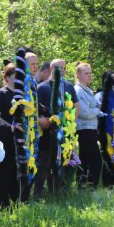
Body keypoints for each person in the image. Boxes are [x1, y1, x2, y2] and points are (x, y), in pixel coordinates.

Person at [34, 59, 80, 200]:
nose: (63, 71)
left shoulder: (68, 86)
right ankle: (38, 194)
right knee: (44, 163)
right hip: (46, 132)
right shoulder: (42, 87)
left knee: (60, 162)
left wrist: (69, 122)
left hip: (63, 133)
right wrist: (41, 120)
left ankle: (58, 193)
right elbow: (36, 109)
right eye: (60, 68)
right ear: (51, 68)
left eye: (65, 68)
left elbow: (76, 107)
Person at [0, 63, 21, 209]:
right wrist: (10, 126)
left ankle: (14, 200)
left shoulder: (21, 95)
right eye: (15, 76)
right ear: (7, 78)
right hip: (4, 136)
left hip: (18, 137)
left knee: (15, 169)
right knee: (3, 170)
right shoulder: (1, 94)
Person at [74, 63, 102, 189]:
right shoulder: (78, 90)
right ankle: (91, 186)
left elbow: (93, 107)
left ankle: (83, 186)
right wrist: (97, 109)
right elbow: (84, 112)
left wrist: (95, 108)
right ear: (78, 75)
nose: (90, 75)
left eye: (90, 73)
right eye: (86, 73)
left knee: (84, 159)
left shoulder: (88, 91)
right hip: (84, 129)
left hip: (91, 128)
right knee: (96, 160)